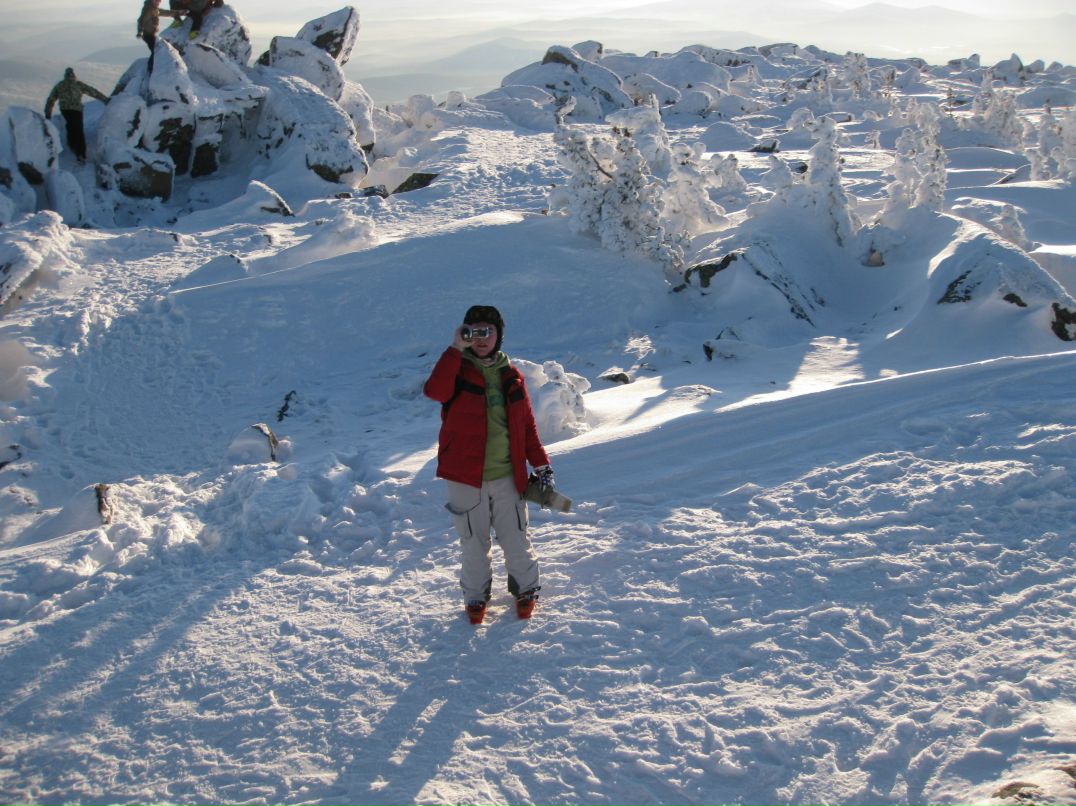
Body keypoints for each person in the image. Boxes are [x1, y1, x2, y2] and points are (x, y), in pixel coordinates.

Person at [423, 305, 556, 624]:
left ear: (499, 336)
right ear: (465, 334)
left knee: (516, 537)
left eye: (488, 331)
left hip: (508, 475)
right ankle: (475, 595)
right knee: (473, 541)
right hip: (465, 478)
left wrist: (541, 464)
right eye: (474, 331)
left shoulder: (512, 376)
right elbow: (434, 391)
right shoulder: (456, 369)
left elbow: (526, 426)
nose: (481, 339)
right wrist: (455, 349)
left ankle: (526, 589)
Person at [44, 68, 109, 163]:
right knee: (79, 130)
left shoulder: (60, 85)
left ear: (65, 76)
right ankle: (81, 154)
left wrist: (48, 114)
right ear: (73, 75)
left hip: (65, 111)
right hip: (77, 110)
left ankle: (72, 147)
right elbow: (93, 92)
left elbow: (51, 100)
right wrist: (105, 100)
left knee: (70, 128)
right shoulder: (78, 84)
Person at [137, 0, 162, 71]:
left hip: (151, 34)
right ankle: (150, 68)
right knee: (155, 51)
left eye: (159, 1)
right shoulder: (148, 9)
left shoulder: (155, 9)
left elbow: (165, 12)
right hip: (147, 35)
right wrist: (140, 31)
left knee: (155, 50)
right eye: (156, 1)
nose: (158, 2)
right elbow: (141, 21)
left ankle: (151, 67)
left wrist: (177, 13)